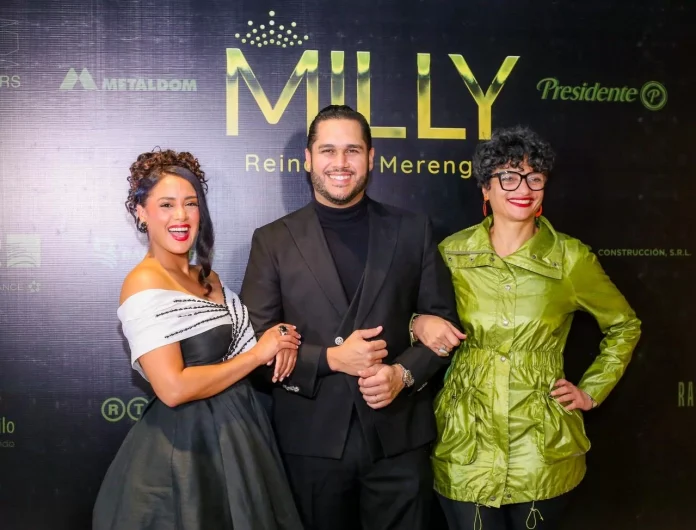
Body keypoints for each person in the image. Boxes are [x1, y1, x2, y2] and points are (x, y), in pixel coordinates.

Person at [240, 104, 464, 530]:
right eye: (328, 150)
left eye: (352, 151)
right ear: (308, 159)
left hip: (399, 440)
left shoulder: (412, 230)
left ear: (371, 157)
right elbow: (255, 349)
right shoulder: (273, 241)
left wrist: (402, 374)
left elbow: (443, 324)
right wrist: (331, 359)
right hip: (311, 444)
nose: (340, 163)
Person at [411, 126, 642, 529]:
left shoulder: (570, 258)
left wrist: (591, 390)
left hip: (541, 447)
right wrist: (417, 323)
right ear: (485, 188)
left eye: (535, 177)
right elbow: (407, 317)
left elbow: (624, 325)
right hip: (467, 442)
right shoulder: (451, 253)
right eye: (508, 176)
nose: (523, 188)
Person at [93, 149, 303, 530]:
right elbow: (172, 388)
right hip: (186, 453)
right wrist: (258, 354)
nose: (181, 216)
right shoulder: (142, 281)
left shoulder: (208, 277)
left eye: (190, 203)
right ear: (141, 212)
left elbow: (251, 343)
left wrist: (282, 338)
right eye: (166, 204)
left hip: (242, 436)